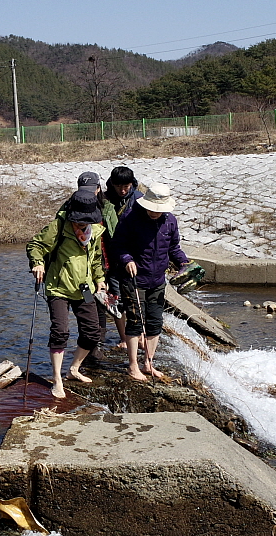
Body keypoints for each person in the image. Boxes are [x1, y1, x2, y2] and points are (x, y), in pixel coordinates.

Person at [26, 188, 108, 398]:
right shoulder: (59, 226)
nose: (82, 224)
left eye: (87, 220)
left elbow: (96, 259)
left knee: (92, 332)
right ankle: (57, 379)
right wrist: (37, 264)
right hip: (58, 287)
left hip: (84, 288)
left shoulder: (96, 231)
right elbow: (35, 245)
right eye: (80, 220)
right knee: (60, 331)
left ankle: (73, 369)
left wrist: (100, 280)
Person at [112, 182, 189, 382]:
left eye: (159, 210)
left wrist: (183, 261)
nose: (155, 213)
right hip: (134, 279)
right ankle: (132, 366)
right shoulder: (130, 218)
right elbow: (118, 245)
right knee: (135, 322)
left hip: (157, 279)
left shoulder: (170, 221)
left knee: (155, 323)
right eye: (152, 209)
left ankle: (148, 362)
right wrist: (127, 259)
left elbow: (173, 248)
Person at [99, 166, 142, 343]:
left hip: (135, 256)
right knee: (116, 299)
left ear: (132, 184)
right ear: (112, 184)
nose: (122, 190)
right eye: (119, 187)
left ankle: (139, 335)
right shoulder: (105, 199)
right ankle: (124, 338)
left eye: (126, 186)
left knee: (136, 298)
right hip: (112, 256)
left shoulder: (139, 199)